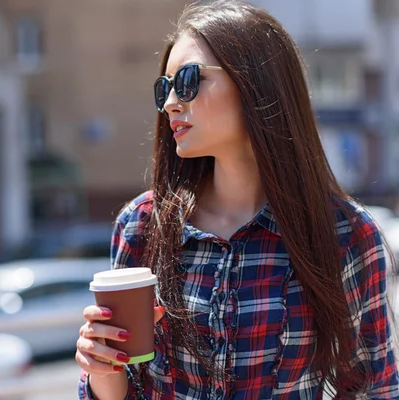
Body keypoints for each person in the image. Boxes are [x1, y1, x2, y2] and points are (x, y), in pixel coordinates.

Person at [75, 1, 399, 399]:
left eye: (189, 80)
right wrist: (102, 370)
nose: (172, 102)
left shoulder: (344, 233)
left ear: (256, 82)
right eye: (165, 88)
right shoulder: (142, 225)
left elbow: (374, 388)